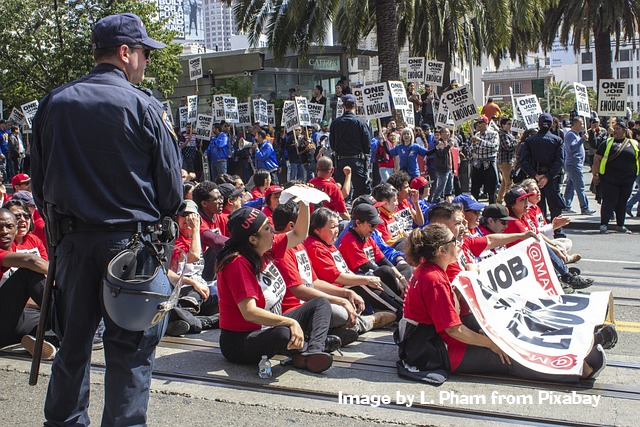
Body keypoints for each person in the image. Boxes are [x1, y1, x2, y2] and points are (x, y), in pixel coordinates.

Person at [31, 13, 182, 426]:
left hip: (73, 245)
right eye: (145, 53)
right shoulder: (145, 105)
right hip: (131, 248)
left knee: (73, 345)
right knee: (130, 352)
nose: (146, 62)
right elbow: (171, 191)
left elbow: (39, 184)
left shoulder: (54, 102)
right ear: (124, 52)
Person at [399, 223, 608, 383]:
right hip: (439, 349)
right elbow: (454, 331)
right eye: (454, 241)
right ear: (441, 250)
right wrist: (491, 343)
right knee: (507, 357)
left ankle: (574, 344)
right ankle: (578, 369)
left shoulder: (430, 270)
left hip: (435, 339)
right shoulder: (434, 279)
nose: (458, 243)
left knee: (508, 326)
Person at [216, 204, 334, 373]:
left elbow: (299, 234)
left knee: (321, 303)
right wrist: (291, 322)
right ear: (253, 239)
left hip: (269, 325)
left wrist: (304, 202)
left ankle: (313, 351)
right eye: (266, 228)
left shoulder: (265, 247)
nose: (273, 231)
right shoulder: (237, 264)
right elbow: (249, 312)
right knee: (283, 333)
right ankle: (305, 348)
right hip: (241, 340)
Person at [519, 113, 567, 238]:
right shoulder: (557, 140)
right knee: (554, 207)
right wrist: (547, 176)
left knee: (537, 207)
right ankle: (558, 233)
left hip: (536, 179)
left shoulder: (529, 141)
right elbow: (560, 161)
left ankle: (540, 233)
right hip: (550, 179)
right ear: (551, 124)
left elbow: (523, 161)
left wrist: (536, 175)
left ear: (539, 125)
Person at [592, 121, 640, 234]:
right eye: (614, 129)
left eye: (618, 129)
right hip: (609, 179)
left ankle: (620, 225)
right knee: (609, 201)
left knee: (622, 202)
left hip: (627, 179)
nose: (615, 131)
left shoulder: (634, 144)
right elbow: (597, 159)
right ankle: (604, 224)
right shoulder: (607, 143)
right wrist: (595, 174)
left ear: (624, 131)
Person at [329, 94, 371, 198]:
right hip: (357, 161)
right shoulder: (360, 122)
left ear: (343, 106)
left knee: (340, 193)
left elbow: (332, 144)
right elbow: (367, 143)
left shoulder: (335, 123)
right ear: (355, 106)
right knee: (361, 192)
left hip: (341, 161)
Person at [564, 117, 596, 215]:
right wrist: (582, 139)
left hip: (575, 164)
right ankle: (584, 207)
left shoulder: (575, 135)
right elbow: (572, 147)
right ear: (575, 124)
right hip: (574, 164)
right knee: (580, 187)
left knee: (571, 186)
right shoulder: (570, 135)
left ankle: (566, 204)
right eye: (581, 123)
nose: (583, 126)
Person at [469, 116, 499, 204]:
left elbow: (494, 147)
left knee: (491, 189)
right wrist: (473, 145)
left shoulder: (493, 134)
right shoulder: (476, 134)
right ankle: (473, 208)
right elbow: (472, 150)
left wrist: (480, 141)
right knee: (475, 188)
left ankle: (492, 208)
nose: (478, 125)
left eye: (480, 123)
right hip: (478, 163)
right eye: (477, 123)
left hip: (489, 162)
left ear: (486, 124)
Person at [496, 117, 518, 204]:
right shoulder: (502, 134)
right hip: (505, 161)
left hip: (509, 160)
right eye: (508, 124)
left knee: (504, 182)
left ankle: (499, 200)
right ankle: (511, 201)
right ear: (503, 125)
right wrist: (516, 141)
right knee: (509, 183)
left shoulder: (508, 134)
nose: (510, 126)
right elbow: (507, 147)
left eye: (510, 124)